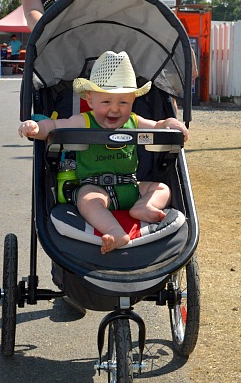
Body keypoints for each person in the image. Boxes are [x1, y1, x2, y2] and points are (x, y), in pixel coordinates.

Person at [19, 51, 189, 254]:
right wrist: (37, 128)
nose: (115, 110)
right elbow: (55, 125)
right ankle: (115, 231)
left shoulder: (134, 121)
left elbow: (159, 125)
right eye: (106, 102)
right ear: (90, 100)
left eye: (123, 102)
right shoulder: (83, 121)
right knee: (87, 201)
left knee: (162, 188)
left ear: (133, 101)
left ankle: (143, 207)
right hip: (94, 186)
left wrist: (171, 123)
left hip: (131, 186)